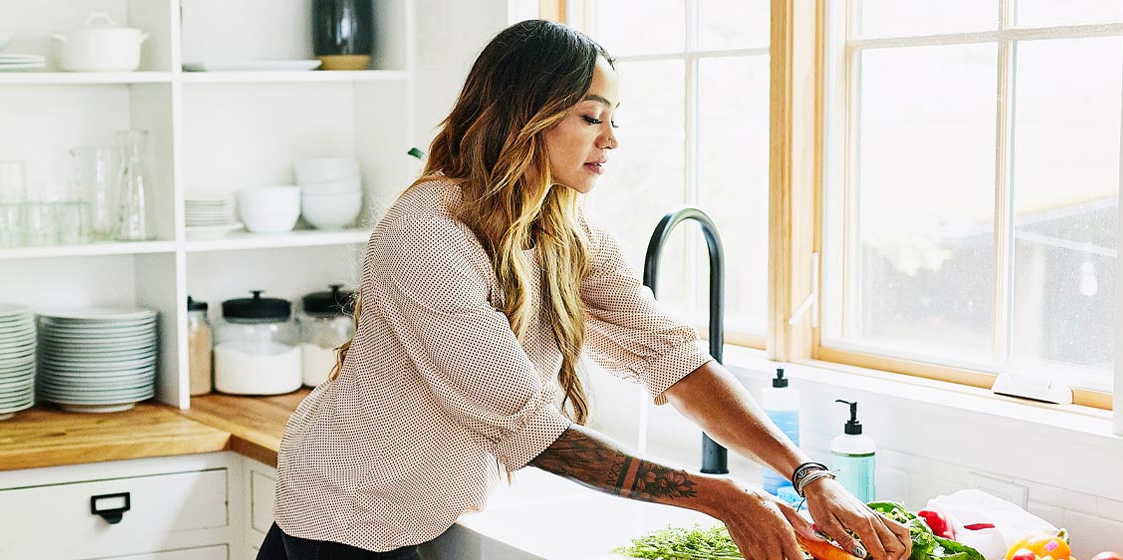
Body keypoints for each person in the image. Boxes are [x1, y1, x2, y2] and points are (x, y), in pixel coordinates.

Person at [258, 20, 914, 560]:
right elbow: (531, 428)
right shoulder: (428, 236)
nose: (612, 139)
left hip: (428, 501)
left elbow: (671, 356)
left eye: (613, 118)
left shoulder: (562, 228)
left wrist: (810, 474)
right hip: (351, 505)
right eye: (590, 117)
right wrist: (719, 496)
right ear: (527, 118)